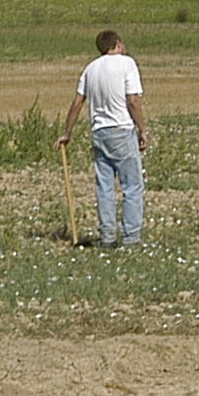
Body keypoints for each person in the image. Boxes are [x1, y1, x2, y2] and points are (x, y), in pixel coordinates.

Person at [56, 30, 147, 249]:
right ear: (117, 44)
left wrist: (67, 133)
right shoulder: (127, 64)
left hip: (99, 132)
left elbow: (77, 103)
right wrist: (143, 129)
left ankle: (107, 236)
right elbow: (132, 100)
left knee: (104, 186)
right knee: (132, 186)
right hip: (122, 129)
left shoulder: (91, 69)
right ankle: (131, 237)